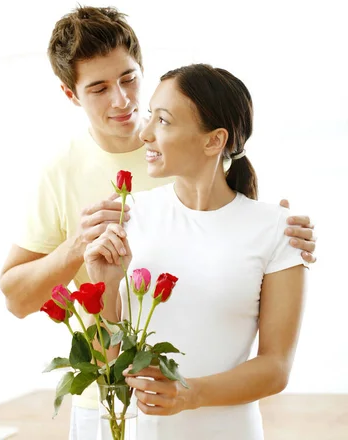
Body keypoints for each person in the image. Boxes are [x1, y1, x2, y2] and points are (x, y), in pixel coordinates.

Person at [0, 7, 316, 440]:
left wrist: (283, 236)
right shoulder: (75, 180)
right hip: (112, 404)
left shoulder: (203, 152)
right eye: (99, 88)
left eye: (129, 79)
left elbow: (233, 251)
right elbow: (20, 300)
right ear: (71, 95)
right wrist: (80, 250)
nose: (122, 101)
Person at [84, 63, 308, 439]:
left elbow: (275, 368)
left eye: (164, 121)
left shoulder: (277, 231)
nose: (145, 133)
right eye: (150, 116)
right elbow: (107, 365)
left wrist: (189, 393)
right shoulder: (129, 217)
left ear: (213, 141)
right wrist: (104, 288)